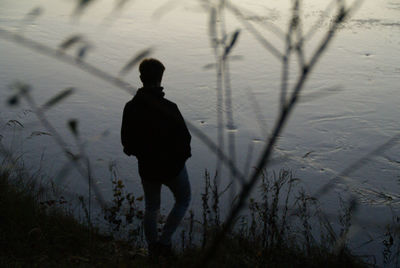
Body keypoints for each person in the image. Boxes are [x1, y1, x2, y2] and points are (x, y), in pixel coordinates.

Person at [121, 58, 191, 257]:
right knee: (183, 200)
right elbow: (185, 140)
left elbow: (127, 143)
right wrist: (181, 160)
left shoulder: (130, 107)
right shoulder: (170, 107)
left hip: (148, 168)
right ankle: (165, 243)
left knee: (152, 207)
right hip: (172, 168)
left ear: (141, 78)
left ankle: (153, 248)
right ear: (161, 79)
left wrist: (140, 153)